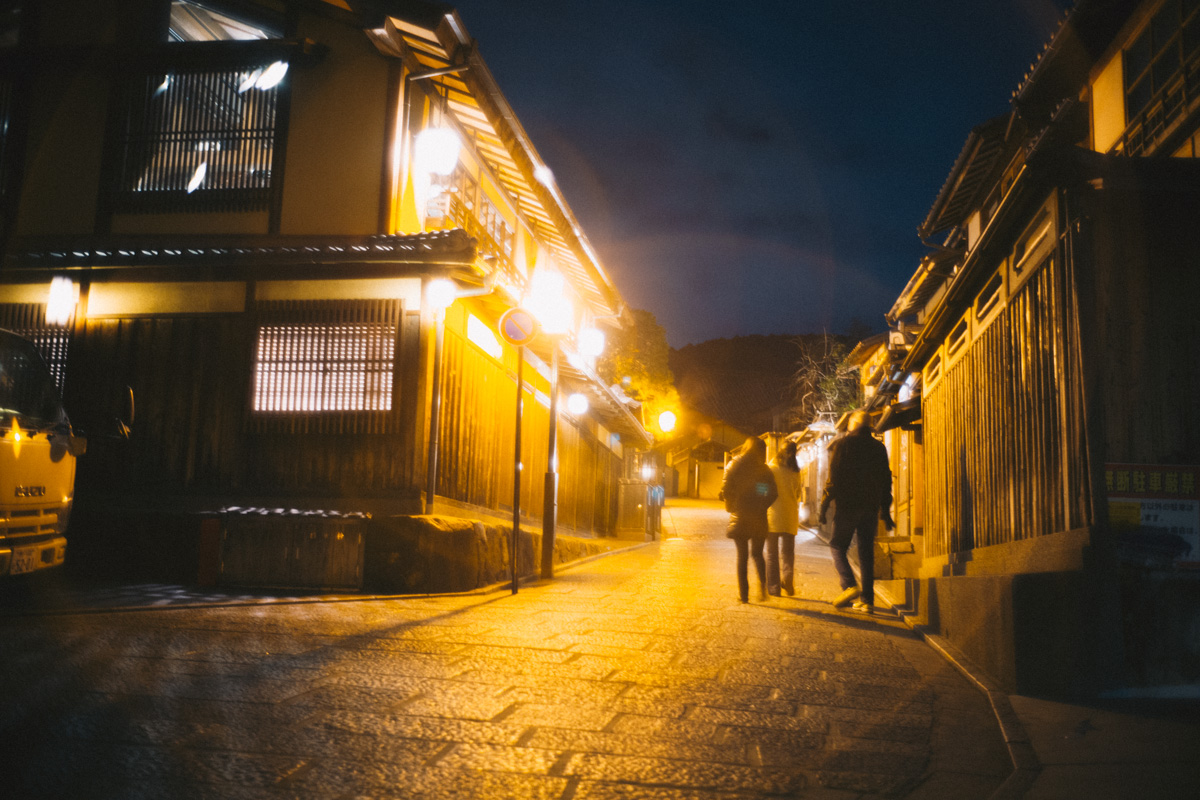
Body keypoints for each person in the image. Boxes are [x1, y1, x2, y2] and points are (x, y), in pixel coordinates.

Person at [818, 410, 893, 614]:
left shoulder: (843, 445)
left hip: (848, 505)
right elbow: (886, 480)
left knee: (837, 546)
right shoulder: (879, 448)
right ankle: (868, 601)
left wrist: (824, 507)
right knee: (866, 553)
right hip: (870, 507)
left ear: (853, 425)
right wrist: (885, 511)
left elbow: (833, 480)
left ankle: (849, 585)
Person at [721, 437, 777, 603]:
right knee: (758, 554)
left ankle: (743, 595)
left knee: (742, 556)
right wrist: (761, 503)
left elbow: (726, 489)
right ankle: (762, 588)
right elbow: (771, 493)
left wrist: (732, 505)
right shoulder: (764, 469)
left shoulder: (734, 464)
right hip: (758, 516)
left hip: (740, 515)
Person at [766, 440, 801, 596]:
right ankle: (788, 581)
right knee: (788, 553)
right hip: (790, 516)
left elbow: (763, 488)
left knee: (772, 554)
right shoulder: (795, 471)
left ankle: (774, 588)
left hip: (773, 514)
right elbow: (799, 493)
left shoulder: (771, 469)